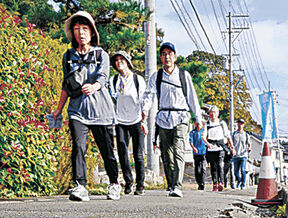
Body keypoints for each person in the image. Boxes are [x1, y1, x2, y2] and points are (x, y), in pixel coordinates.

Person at [52, 11, 120, 202]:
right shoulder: (68, 56)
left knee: (106, 150)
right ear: (72, 33)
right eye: (76, 29)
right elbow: (66, 85)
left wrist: (95, 86)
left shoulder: (101, 54)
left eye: (84, 29)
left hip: (101, 111)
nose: (80, 33)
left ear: (91, 32)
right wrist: (58, 110)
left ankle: (114, 183)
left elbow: (103, 77)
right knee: (78, 146)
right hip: (77, 111)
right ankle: (80, 186)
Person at [141, 42, 202, 198]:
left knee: (178, 151)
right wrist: (145, 109)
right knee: (166, 155)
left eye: (170, 53)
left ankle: (177, 186)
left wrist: (198, 117)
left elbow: (191, 97)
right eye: (164, 54)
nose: (167, 56)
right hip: (163, 118)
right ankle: (170, 184)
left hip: (181, 117)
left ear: (175, 57)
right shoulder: (157, 76)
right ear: (161, 58)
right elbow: (149, 94)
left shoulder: (183, 75)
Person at [110, 50, 146, 196]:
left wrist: (144, 121)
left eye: (122, 60)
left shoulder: (138, 80)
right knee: (123, 153)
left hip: (136, 120)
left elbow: (144, 101)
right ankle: (128, 181)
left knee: (138, 154)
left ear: (128, 62)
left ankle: (140, 184)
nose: (119, 62)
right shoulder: (114, 81)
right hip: (120, 121)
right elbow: (112, 101)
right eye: (117, 60)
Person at [204, 106, 234, 192]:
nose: (213, 114)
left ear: (218, 114)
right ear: (209, 114)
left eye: (214, 112)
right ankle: (215, 184)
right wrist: (207, 144)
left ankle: (221, 182)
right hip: (211, 148)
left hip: (220, 147)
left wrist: (232, 147)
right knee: (213, 166)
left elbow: (227, 135)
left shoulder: (222, 123)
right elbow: (203, 136)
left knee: (220, 165)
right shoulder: (207, 124)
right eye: (211, 112)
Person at [189, 120, 208, 190]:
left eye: (199, 124)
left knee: (203, 168)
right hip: (196, 152)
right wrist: (193, 148)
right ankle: (199, 182)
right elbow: (190, 141)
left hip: (204, 152)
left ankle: (202, 182)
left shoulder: (204, 132)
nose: (198, 125)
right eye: (197, 124)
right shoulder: (193, 132)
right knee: (197, 169)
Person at [232, 118, 251, 189]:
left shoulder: (246, 135)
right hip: (236, 155)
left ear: (243, 125)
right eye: (239, 123)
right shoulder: (234, 134)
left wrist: (249, 149)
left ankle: (243, 184)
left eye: (241, 123)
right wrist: (232, 149)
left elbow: (249, 144)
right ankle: (239, 180)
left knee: (242, 169)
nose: (240, 125)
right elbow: (231, 143)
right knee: (235, 171)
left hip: (243, 155)